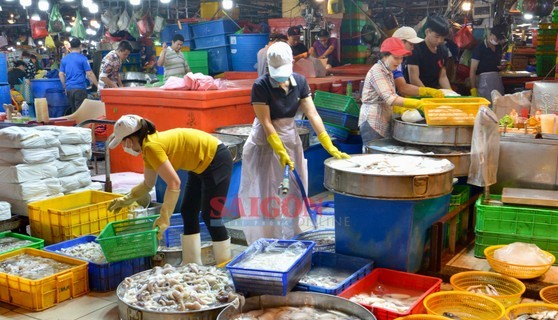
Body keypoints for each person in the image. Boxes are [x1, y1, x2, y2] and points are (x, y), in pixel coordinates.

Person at [239, 42, 350, 244]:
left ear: (292, 62)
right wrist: (279, 150)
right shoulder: (260, 86)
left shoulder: (299, 82)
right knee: (266, 191)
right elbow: (265, 122)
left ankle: (292, 235)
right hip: (265, 141)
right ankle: (266, 240)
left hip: (290, 137)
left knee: (294, 189)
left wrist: (328, 144)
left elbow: (312, 113)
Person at [106, 115, 233, 265]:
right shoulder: (148, 147)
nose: (124, 147)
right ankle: (192, 264)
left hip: (216, 158)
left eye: (123, 143)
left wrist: (164, 218)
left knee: (211, 216)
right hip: (200, 164)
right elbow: (148, 184)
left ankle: (225, 266)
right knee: (188, 211)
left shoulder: (151, 147)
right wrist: (126, 199)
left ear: (129, 140)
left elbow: (174, 183)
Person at [358, 37, 425, 142]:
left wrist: (399, 108)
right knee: (373, 156)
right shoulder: (377, 71)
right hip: (373, 122)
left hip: (383, 119)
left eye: (401, 58)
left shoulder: (388, 71)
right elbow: (390, 98)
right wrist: (418, 104)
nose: (399, 61)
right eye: (395, 58)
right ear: (385, 56)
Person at [392, 26, 444, 98]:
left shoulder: (399, 62)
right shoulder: (391, 62)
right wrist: (426, 92)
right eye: (411, 44)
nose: (413, 48)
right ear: (401, 42)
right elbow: (403, 88)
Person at [407, 15, 452, 90]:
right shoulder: (415, 49)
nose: (440, 40)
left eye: (443, 37)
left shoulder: (443, 50)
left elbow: (442, 77)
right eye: (437, 36)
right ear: (427, 32)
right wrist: (428, 93)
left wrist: (451, 94)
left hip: (433, 92)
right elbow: (414, 79)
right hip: (415, 93)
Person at [59, 38, 99, 113]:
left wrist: (65, 86)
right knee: (81, 112)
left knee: (74, 112)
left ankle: (76, 124)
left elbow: (61, 74)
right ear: (80, 46)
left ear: (70, 46)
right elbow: (89, 73)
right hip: (79, 89)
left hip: (69, 89)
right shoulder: (83, 58)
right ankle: (80, 125)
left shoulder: (64, 59)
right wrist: (98, 85)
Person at [469, 24, 508, 100]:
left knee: (498, 103)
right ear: (490, 34)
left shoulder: (498, 47)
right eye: (497, 38)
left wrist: (501, 67)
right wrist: (473, 88)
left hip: (497, 81)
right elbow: (472, 70)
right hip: (483, 82)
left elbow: (497, 63)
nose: (498, 41)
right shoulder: (479, 48)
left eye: (500, 39)